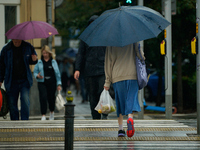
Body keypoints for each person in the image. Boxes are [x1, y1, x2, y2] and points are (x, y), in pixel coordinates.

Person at [104, 43, 144, 137]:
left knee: (120, 103)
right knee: (131, 99)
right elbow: (140, 55)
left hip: (117, 76)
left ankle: (121, 130)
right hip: (132, 74)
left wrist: (107, 82)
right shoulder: (133, 38)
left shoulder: (111, 42)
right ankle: (130, 118)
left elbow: (108, 63)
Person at [74, 15, 108, 119]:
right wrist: (77, 69)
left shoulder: (104, 36)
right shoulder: (85, 37)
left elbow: (110, 53)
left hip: (102, 69)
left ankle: (105, 112)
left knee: (101, 91)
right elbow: (80, 54)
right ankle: (95, 116)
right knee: (92, 95)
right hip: (89, 70)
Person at [0, 39, 38, 120]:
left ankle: (24, 121)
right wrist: (0, 79)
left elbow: (32, 60)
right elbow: (1, 66)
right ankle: (15, 121)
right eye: (14, 40)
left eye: (18, 40)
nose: (16, 42)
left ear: (21, 39)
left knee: (25, 100)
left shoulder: (28, 47)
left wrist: (34, 60)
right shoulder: (6, 49)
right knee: (12, 104)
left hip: (24, 80)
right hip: (11, 81)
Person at [33, 45, 62, 121]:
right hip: (42, 82)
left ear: (49, 53)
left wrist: (59, 84)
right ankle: (43, 114)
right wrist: (37, 76)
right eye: (43, 53)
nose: (45, 54)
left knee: (51, 98)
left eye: (46, 53)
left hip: (52, 83)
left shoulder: (53, 62)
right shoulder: (39, 62)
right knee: (43, 97)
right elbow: (35, 72)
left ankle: (52, 112)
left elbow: (57, 73)